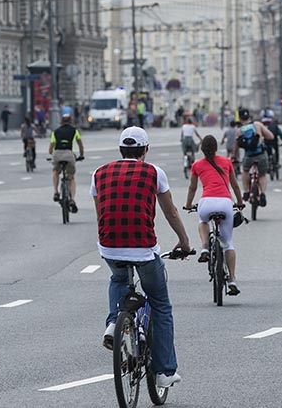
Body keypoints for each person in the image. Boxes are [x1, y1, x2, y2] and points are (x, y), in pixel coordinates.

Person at [92, 126, 191, 390]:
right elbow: (170, 212)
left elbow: (100, 212)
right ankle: (165, 371)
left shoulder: (99, 173)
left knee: (118, 276)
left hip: (109, 245)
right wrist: (184, 241)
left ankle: (114, 323)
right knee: (160, 303)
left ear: (120, 150)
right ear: (145, 150)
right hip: (143, 248)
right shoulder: (154, 173)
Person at [183, 135, 244, 295]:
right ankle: (232, 279)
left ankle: (204, 247)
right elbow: (235, 185)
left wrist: (188, 204)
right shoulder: (226, 162)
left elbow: (192, 188)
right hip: (225, 203)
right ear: (216, 148)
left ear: (202, 149)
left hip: (207, 202)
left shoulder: (197, 165)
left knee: (203, 221)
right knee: (228, 243)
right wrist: (240, 202)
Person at [233, 109, 274, 206]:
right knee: (262, 175)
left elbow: (236, 146)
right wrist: (263, 138)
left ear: (240, 118)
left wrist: (233, 156)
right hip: (261, 154)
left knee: (246, 171)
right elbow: (271, 136)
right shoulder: (257, 125)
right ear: (249, 116)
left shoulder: (239, 130)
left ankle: (246, 192)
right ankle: (263, 194)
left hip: (249, 156)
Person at [50, 112, 84, 212]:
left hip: (57, 154)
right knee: (71, 177)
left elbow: (50, 149)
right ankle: (72, 200)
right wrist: (81, 155)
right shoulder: (75, 131)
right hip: (69, 155)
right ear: (70, 121)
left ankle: (56, 192)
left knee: (56, 171)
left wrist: (53, 155)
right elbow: (80, 145)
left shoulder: (55, 132)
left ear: (61, 121)